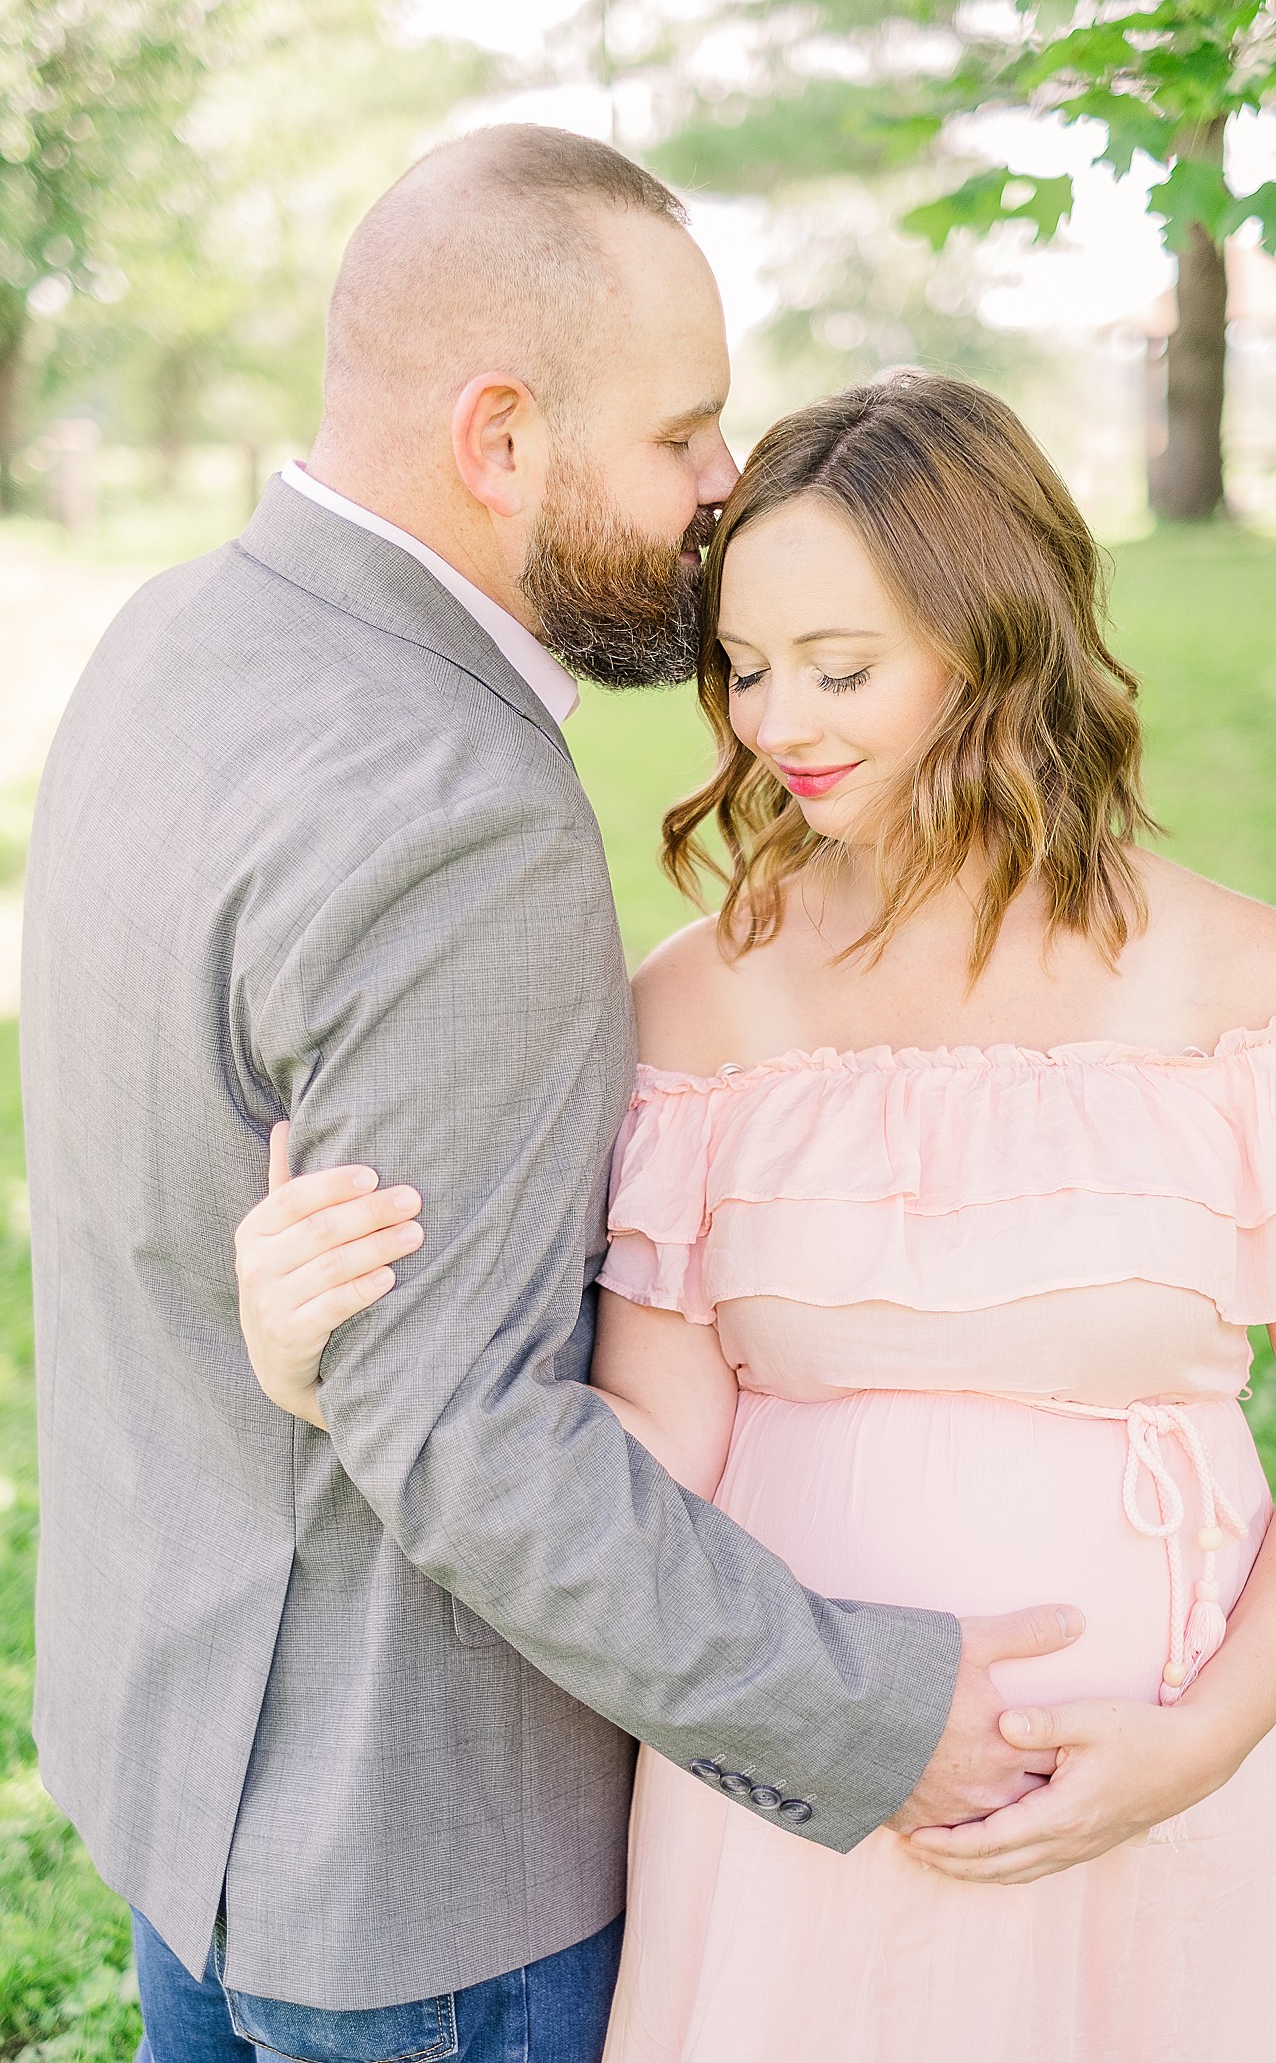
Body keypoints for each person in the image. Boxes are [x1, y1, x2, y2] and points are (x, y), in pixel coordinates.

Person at [20, 133, 1082, 2063]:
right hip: (415, 1874)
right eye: (684, 436)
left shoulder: (173, 639)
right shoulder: (463, 817)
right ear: (498, 437)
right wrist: (873, 1711)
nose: (719, 491)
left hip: (181, 1788)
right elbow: (470, 1438)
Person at [238, 371, 1276, 2063]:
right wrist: (341, 1369)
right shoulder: (702, 1007)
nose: (781, 723)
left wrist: (1206, 1739)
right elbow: (652, 1442)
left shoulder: (1247, 988)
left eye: (841, 669)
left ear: (1000, 641)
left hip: (1152, 1774)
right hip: (797, 1792)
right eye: (750, 668)